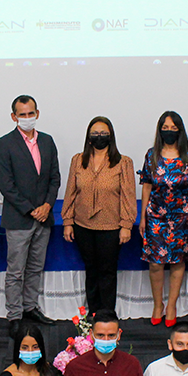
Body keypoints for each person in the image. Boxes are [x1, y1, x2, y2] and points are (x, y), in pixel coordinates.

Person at [0, 95, 61, 338]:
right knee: (15, 271)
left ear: (37, 113)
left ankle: (30, 308)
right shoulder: (4, 143)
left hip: (44, 218)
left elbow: (55, 177)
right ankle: (14, 316)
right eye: (21, 114)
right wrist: (30, 209)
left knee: (35, 267)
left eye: (30, 113)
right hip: (19, 219)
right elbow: (6, 184)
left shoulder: (47, 141)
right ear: (14, 117)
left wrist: (46, 206)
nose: (26, 118)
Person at [61, 116, 135, 314]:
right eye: (95, 133)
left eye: (104, 133)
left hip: (111, 228)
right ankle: (94, 314)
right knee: (91, 270)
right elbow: (70, 191)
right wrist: (67, 221)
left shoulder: (123, 162)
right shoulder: (78, 160)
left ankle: (107, 315)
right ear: (88, 137)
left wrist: (126, 225)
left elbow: (128, 196)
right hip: (83, 225)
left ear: (111, 136)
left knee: (107, 272)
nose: (99, 136)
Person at [139, 111, 188, 327]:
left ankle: (172, 305)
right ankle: (158, 304)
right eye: (165, 127)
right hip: (155, 216)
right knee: (156, 263)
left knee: (177, 262)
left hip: (182, 217)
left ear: (180, 130)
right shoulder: (151, 155)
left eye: (173, 128)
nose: (169, 131)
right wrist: (143, 217)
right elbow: (147, 184)